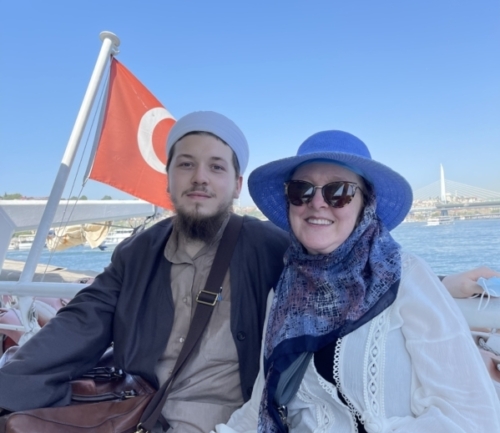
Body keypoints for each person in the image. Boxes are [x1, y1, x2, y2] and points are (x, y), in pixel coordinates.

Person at [0, 113, 495, 432]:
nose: (318, 205)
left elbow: (359, 273)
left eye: (216, 167)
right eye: (302, 192)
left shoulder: (273, 250)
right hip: (144, 416)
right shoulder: (143, 252)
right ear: (167, 177)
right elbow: (80, 321)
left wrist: (437, 287)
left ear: (236, 184)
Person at [213, 130, 500, 432]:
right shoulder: (285, 294)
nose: (318, 203)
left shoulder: (406, 277)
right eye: (302, 190)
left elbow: (471, 415)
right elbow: (261, 403)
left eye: (339, 192)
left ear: (366, 204)